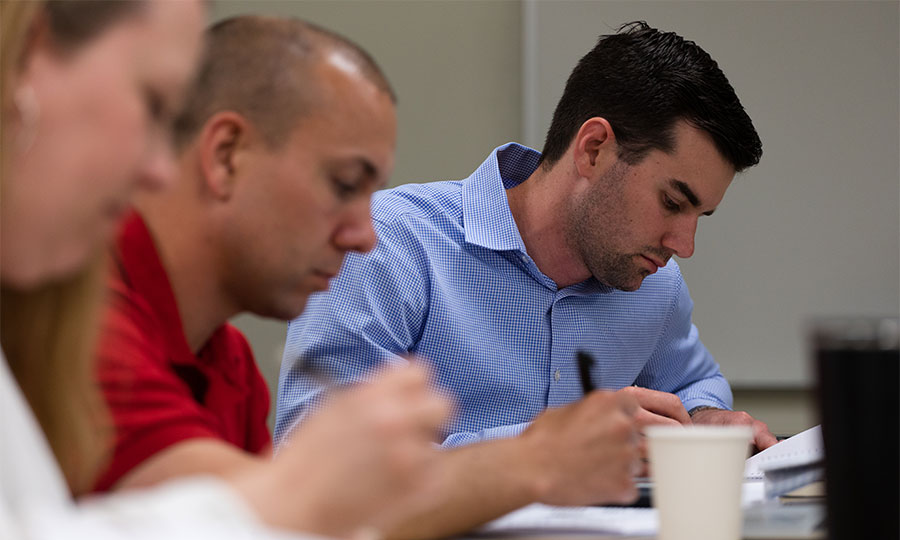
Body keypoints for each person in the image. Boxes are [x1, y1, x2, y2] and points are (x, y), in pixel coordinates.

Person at [87, 14, 642, 539]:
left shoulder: (226, 359)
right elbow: (263, 519)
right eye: (343, 184)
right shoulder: (86, 327)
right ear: (227, 155)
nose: (364, 235)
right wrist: (535, 459)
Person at [277, 20, 777, 521]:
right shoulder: (390, 246)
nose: (684, 246)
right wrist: (549, 449)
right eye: (671, 202)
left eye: (699, 218)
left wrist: (703, 418)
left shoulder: (654, 284)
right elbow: (311, 465)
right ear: (594, 149)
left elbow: (693, 384)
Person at [0, 2, 445, 539]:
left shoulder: (228, 358)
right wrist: (532, 460)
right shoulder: (95, 317)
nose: (158, 168)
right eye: (153, 105)